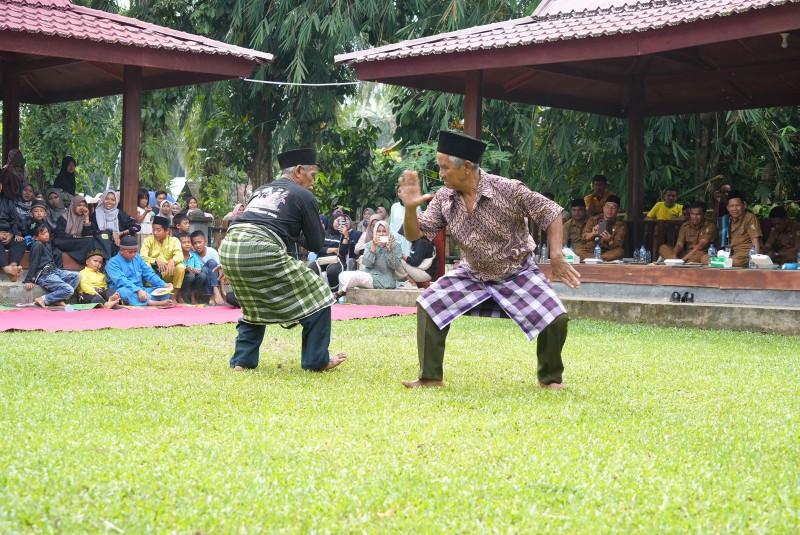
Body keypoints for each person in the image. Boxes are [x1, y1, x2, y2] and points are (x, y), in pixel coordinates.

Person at [398, 130, 580, 389]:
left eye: (444, 167)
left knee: (556, 319)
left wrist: (557, 254)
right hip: (472, 273)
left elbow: (551, 212)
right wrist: (410, 208)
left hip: (516, 271)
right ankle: (430, 378)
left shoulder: (508, 189)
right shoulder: (443, 198)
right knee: (428, 305)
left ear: (467, 167)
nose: (440, 174)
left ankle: (550, 379)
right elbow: (417, 234)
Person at [219, 147, 347, 372]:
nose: (313, 183)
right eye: (313, 176)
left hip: (230, 247)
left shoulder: (261, 190)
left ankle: (242, 361)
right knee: (319, 291)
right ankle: (316, 360)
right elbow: (316, 244)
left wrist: (291, 231)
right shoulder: (303, 195)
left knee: (253, 301)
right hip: (260, 246)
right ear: (299, 171)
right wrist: (298, 231)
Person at [336, 220, 402, 296]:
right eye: (378, 231)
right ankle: (342, 293)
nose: (381, 234)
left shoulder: (395, 245)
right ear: (375, 232)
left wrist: (389, 251)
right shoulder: (369, 244)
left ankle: (340, 293)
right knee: (342, 275)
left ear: (388, 232)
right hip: (368, 274)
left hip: (384, 279)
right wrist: (373, 249)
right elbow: (367, 263)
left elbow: (395, 266)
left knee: (357, 277)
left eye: (384, 231)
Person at [106, 236, 174, 307]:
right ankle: (152, 302)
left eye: (135, 252)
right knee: (123, 292)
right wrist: (137, 291)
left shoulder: (137, 258)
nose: (133, 254)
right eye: (130, 252)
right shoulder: (112, 263)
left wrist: (164, 285)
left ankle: (144, 300)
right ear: (121, 250)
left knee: (164, 292)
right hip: (125, 289)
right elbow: (122, 280)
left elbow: (149, 274)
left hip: (142, 290)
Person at [23, 223, 80, 308]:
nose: (46, 235)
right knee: (69, 290)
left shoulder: (47, 243)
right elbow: (34, 262)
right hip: (44, 275)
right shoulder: (37, 244)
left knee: (76, 276)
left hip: (54, 271)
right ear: (36, 237)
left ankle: (58, 299)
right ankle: (43, 299)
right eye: (42, 234)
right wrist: (29, 280)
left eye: (47, 232)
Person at [140, 215, 185, 291]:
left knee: (180, 267)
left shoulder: (174, 240)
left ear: (167, 231)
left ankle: (174, 296)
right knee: (146, 264)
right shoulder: (148, 240)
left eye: (158, 230)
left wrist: (173, 261)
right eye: (153, 229)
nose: (155, 232)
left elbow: (179, 255)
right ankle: (152, 292)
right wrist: (155, 260)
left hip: (167, 271)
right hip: (152, 272)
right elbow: (142, 256)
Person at [575, 195, 626, 261]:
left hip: (609, 251)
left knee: (620, 252)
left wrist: (610, 240)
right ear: (603, 208)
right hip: (592, 249)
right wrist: (593, 234)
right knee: (577, 250)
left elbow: (618, 245)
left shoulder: (620, 225)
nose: (610, 210)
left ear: (618, 210)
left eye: (613, 208)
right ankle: (598, 259)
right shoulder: (593, 220)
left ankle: (597, 259)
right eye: (607, 207)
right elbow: (584, 237)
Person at [91, 189, 139, 257]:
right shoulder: (96, 214)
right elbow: (93, 231)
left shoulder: (120, 214)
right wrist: (111, 232)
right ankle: (108, 260)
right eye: (107, 199)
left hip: (118, 245)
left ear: (116, 201)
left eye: (113, 200)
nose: (109, 202)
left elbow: (137, 226)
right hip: (101, 245)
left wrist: (121, 233)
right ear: (102, 199)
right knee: (104, 235)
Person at [53, 194, 96, 263]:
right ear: (73, 205)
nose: (82, 208)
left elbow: (86, 235)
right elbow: (59, 234)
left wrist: (87, 218)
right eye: (79, 205)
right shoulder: (64, 217)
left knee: (90, 240)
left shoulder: (83, 218)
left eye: (84, 206)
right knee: (58, 241)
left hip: (77, 242)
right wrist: (74, 236)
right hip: (64, 241)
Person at [726, 191, 762, 268]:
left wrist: (754, 260)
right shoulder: (728, 220)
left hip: (745, 254)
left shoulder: (750, 217)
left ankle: (725, 261)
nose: (734, 209)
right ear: (727, 208)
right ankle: (724, 261)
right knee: (705, 258)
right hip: (731, 253)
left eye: (737, 205)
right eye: (731, 206)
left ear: (744, 205)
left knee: (734, 261)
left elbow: (755, 241)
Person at [190, 230, 225, 305]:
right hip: (201, 279)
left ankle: (215, 290)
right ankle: (211, 296)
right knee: (205, 269)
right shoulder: (192, 255)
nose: (198, 245)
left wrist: (222, 290)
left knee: (212, 262)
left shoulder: (212, 251)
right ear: (192, 245)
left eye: (200, 242)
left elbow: (219, 270)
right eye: (195, 243)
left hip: (214, 278)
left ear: (205, 242)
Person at [178, 232, 206, 304]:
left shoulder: (193, 255)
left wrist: (192, 269)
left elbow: (198, 269)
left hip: (193, 277)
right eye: (184, 242)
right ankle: (181, 294)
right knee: (190, 275)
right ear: (179, 244)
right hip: (182, 278)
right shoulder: (178, 255)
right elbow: (183, 268)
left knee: (202, 275)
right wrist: (190, 269)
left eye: (189, 242)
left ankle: (193, 294)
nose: (187, 244)